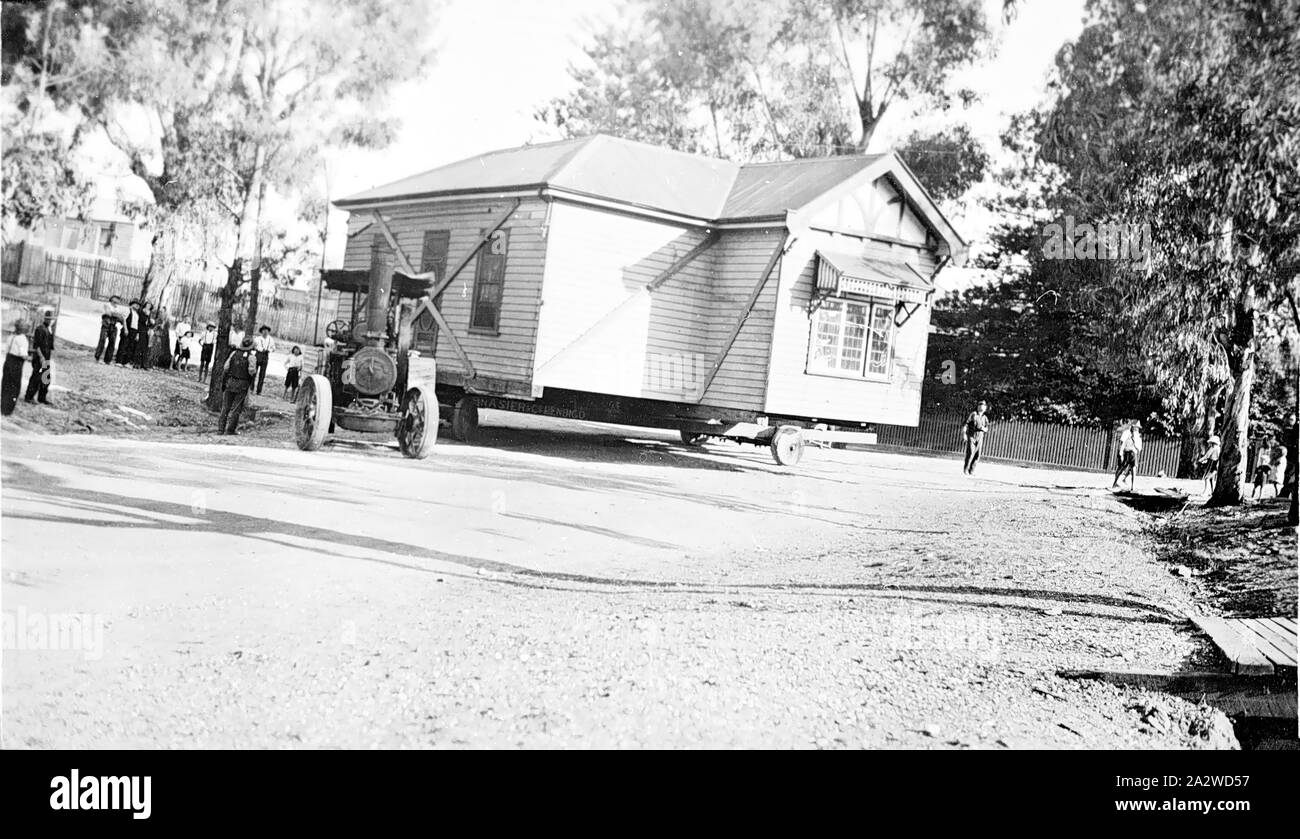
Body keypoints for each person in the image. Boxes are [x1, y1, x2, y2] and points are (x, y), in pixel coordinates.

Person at [217, 336, 258, 435]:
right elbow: (252, 371)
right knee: (236, 408)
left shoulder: (233, 353)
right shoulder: (251, 357)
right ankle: (230, 430)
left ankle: (220, 429)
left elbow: (226, 367)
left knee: (225, 407)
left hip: (230, 382)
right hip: (242, 384)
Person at [24, 309, 55, 406]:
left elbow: (50, 346)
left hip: (46, 357)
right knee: (36, 378)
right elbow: (36, 345)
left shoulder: (49, 330)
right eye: (48, 319)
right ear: (44, 319)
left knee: (46, 378)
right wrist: (41, 357)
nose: (49, 321)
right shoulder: (39, 329)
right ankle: (28, 397)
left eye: (51, 319)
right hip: (39, 358)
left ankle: (42, 398)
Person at [2, 317, 29, 416]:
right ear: (23, 329)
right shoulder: (22, 339)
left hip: (8, 360)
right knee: (14, 386)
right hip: (16, 363)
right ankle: (8, 410)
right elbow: (23, 354)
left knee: (6, 384)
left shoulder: (11, 337)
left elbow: (7, 349)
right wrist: (28, 358)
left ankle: (3, 407)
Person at [1111, 420, 1143, 491]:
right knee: (1121, 468)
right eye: (1135, 427)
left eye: (1137, 427)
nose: (1136, 429)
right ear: (1132, 426)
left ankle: (1133, 486)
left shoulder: (1137, 435)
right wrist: (1121, 452)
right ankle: (1115, 483)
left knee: (1134, 469)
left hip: (1133, 453)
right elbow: (1122, 443)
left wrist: (1135, 444)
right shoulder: (1126, 433)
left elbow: (1139, 447)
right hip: (1126, 452)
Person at [962, 399, 990, 475]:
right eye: (980, 405)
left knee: (977, 455)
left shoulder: (985, 417)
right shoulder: (973, 414)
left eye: (984, 406)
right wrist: (964, 434)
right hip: (972, 436)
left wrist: (984, 429)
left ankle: (972, 470)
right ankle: (966, 469)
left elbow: (987, 428)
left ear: (985, 408)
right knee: (971, 453)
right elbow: (966, 423)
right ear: (977, 407)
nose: (982, 407)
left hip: (980, 437)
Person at [95, 295, 124, 362]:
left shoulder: (118, 308)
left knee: (112, 343)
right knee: (102, 341)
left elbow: (121, 318)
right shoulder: (107, 305)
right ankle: (97, 357)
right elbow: (108, 313)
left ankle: (108, 359)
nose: (117, 300)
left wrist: (116, 315)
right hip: (106, 324)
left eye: (118, 299)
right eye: (115, 298)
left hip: (113, 325)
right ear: (112, 299)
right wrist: (117, 315)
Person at [117, 299, 141, 365]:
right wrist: (125, 329)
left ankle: (126, 362)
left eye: (138, 305)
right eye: (136, 304)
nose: (137, 306)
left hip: (134, 331)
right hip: (128, 329)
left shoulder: (137, 314)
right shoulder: (128, 310)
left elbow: (137, 325)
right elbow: (124, 320)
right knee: (123, 345)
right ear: (132, 304)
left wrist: (137, 334)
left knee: (130, 347)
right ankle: (119, 361)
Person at [253, 325, 274, 395]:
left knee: (262, 374)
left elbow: (273, 348)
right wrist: (259, 349)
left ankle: (259, 391)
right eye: (263, 331)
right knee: (254, 372)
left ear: (268, 332)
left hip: (265, 356)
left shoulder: (271, 339)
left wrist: (269, 350)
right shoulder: (257, 338)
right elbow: (254, 346)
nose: (265, 332)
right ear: (261, 331)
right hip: (258, 354)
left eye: (267, 331)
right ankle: (251, 388)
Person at [133, 302, 153, 368]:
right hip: (140, 331)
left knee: (144, 349)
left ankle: (143, 364)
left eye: (150, 306)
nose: (148, 307)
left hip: (146, 332)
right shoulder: (141, 312)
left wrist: (151, 322)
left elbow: (149, 324)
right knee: (138, 347)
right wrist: (138, 333)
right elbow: (139, 322)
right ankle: (136, 363)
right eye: (147, 305)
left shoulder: (149, 313)